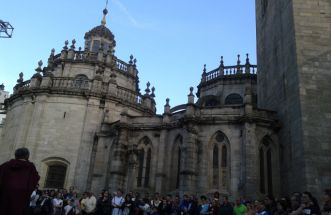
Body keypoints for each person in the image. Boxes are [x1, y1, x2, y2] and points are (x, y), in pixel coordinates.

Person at [0, 147, 40, 215]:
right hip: (22, 198)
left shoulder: (5, 165)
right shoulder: (30, 167)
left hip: (5, 196)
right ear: (27, 156)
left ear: (15, 155)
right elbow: (34, 179)